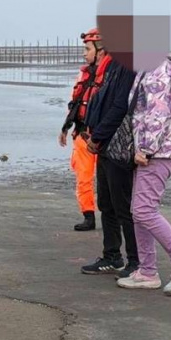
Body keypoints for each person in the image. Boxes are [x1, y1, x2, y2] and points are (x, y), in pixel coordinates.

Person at [117, 47, 171, 295]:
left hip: (158, 151)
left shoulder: (159, 67)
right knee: (139, 211)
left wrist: (146, 148)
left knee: (143, 210)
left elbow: (158, 112)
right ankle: (147, 271)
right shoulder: (150, 65)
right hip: (153, 150)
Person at [80, 29, 139, 278]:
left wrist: (98, 135)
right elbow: (103, 101)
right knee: (107, 203)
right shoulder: (113, 64)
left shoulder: (127, 64)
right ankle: (112, 256)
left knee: (123, 206)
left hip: (117, 144)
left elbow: (120, 106)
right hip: (105, 144)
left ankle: (136, 262)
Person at [59, 29, 110, 231]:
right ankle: (88, 215)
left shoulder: (113, 75)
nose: (84, 53)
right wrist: (65, 127)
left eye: (87, 49)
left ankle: (114, 216)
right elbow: (76, 102)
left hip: (104, 136)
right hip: (82, 133)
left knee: (110, 180)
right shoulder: (84, 74)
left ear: (101, 51)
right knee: (83, 177)